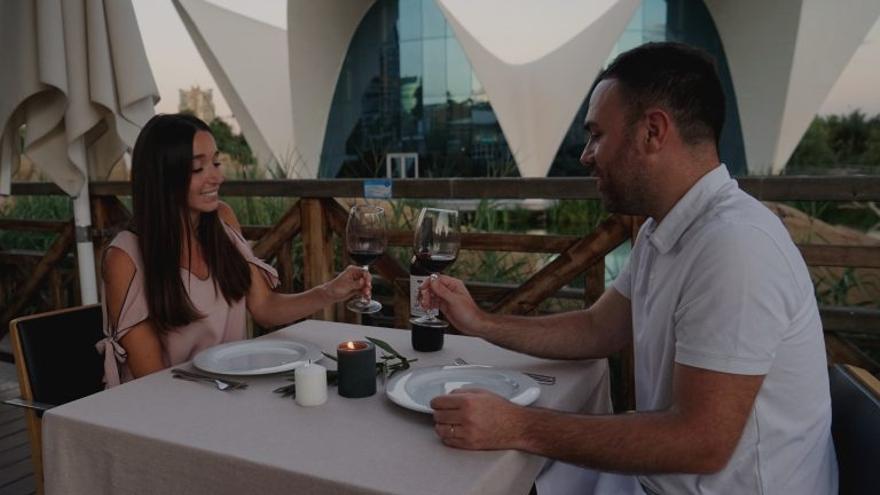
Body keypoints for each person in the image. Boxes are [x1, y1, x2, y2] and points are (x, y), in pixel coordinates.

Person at [420, 43, 837, 494]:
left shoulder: (735, 246)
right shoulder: (667, 229)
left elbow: (701, 443)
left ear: (653, 131)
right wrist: (481, 321)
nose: (586, 155)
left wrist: (518, 425)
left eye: (597, 134)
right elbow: (598, 327)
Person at [98, 113, 369, 387]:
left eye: (216, 162)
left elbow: (264, 306)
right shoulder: (126, 257)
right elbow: (152, 381)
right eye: (198, 169)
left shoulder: (222, 220)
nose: (217, 176)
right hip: (164, 409)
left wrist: (329, 292)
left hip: (231, 390)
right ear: (162, 177)